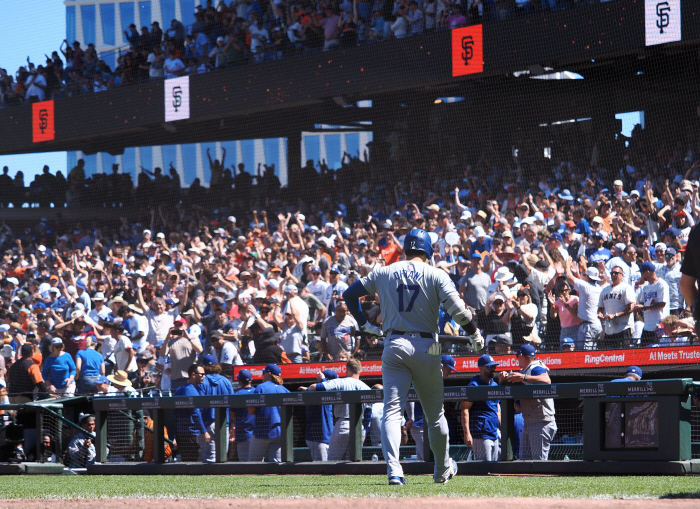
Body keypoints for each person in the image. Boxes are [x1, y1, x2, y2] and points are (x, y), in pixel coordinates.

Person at [343, 228, 483, 485]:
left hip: (393, 343)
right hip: (428, 345)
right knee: (434, 415)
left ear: (406, 249)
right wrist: (475, 334)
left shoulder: (385, 271)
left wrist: (365, 325)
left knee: (392, 412)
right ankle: (441, 470)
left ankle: (394, 472)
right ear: (428, 251)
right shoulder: (436, 273)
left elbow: (349, 295)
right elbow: (461, 314)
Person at [498, 345, 557, 461]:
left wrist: (524, 377)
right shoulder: (523, 372)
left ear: (520, 356)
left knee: (539, 465)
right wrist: (503, 380)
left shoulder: (535, 367)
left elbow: (546, 380)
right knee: (525, 462)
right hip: (529, 422)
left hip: (541, 422)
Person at [306, 358, 371, 460]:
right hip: (360, 426)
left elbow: (313, 387)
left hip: (343, 424)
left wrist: (321, 380)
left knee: (332, 461)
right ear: (360, 370)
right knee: (354, 461)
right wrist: (364, 429)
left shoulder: (340, 382)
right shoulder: (367, 388)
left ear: (347, 370)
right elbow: (368, 414)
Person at [461, 355, 501, 462]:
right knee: (484, 468)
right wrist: (467, 433)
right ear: (481, 368)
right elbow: (465, 409)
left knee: (496, 467)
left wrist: (501, 428)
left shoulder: (495, 385)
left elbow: (497, 408)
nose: (493, 369)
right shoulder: (474, 385)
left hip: (495, 433)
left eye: (494, 367)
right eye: (490, 367)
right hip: (480, 434)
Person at [247, 364, 290, 462]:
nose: (262, 375)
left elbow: (251, 410)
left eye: (263, 373)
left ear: (269, 374)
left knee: (253, 464)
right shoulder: (284, 389)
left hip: (262, 431)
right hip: (280, 432)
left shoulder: (261, 387)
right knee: (277, 465)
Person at [199, 355, 234, 463]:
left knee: (209, 459)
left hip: (207, 424)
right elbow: (233, 404)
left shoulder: (202, 382)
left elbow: (198, 407)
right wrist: (232, 424)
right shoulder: (226, 381)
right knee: (222, 458)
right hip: (224, 424)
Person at [564, 258, 603, 351]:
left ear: (587, 277)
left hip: (588, 326)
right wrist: (577, 274)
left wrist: (567, 264)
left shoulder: (586, 287)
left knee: (585, 355)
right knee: (592, 355)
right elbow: (582, 285)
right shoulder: (599, 288)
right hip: (597, 325)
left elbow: (569, 277)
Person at [173, 364, 207, 462]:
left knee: (186, 462)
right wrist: (204, 431)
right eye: (201, 374)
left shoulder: (180, 389)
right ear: (193, 374)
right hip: (190, 434)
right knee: (192, 465)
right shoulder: (190, 390)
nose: (204, 376)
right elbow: (195, 413)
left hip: (181, 432)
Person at [302, 369, 337, 461]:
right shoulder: (316, 392)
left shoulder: (318, 390)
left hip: (326, 437)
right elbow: (322, 389)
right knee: (321, 468)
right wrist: (323, 380)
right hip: (318, 438)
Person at [597, 266, 636, 349]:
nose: (614, 275)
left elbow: (631, 308)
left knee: (624, 356)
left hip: (623, 328)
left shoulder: (626, 288)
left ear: (622, 275)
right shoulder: (605, 290)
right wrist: (600, 314)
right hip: (609, 330)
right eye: (612, 273)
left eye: (616, 273)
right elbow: (600, 307)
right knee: (610, 357)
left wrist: (615, 315)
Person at [232, 369, 255, 461]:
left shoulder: (237, 394)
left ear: (239, 381)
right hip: (258, 433)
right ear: (251, 380)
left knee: (244, 462)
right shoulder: (257, 391)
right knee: (258, 462)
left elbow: (232, 415)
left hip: (243, 432)